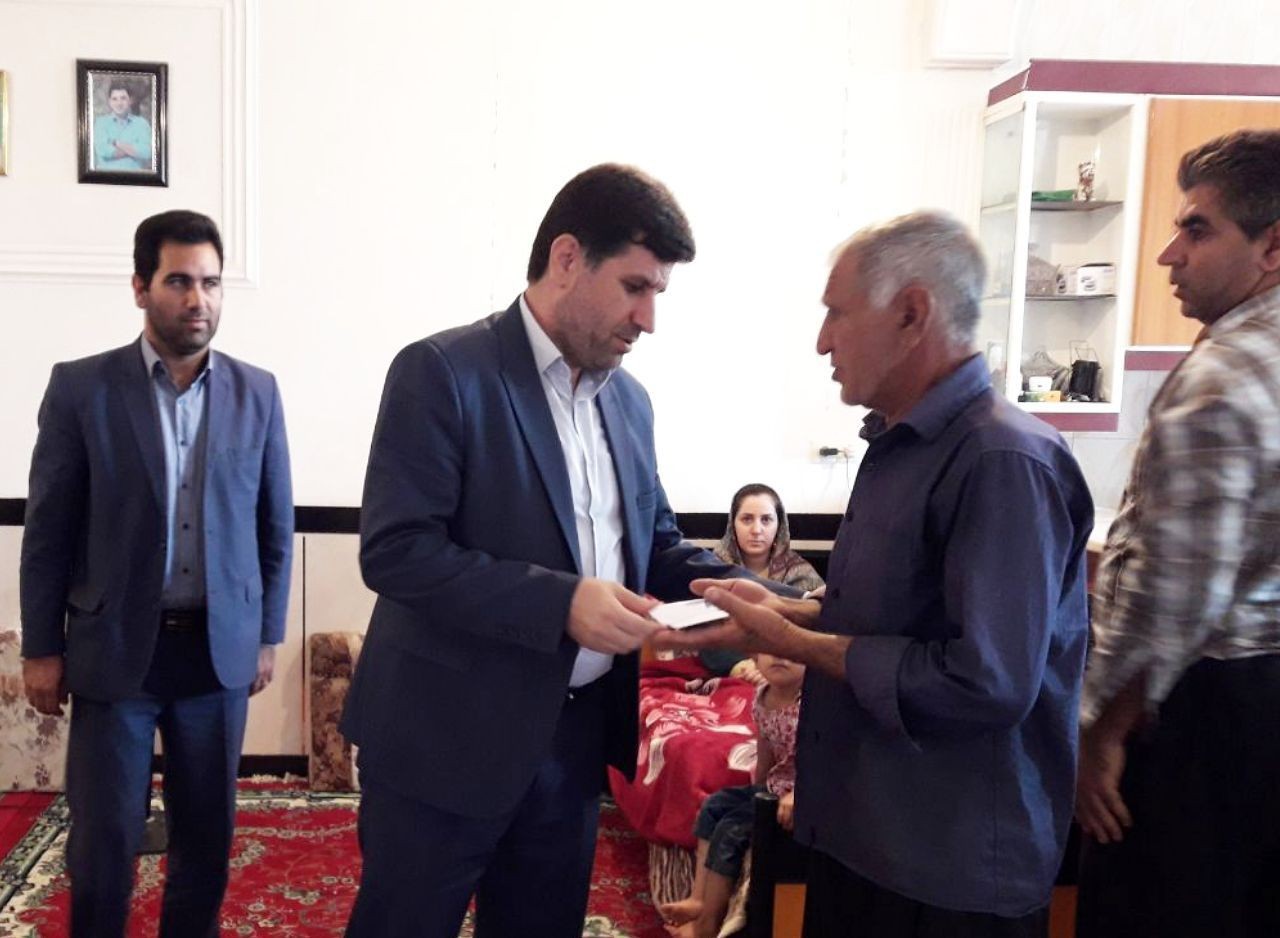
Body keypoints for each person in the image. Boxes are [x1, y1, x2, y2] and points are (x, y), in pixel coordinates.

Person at [341, 163, 756, 938]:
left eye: (658, 294)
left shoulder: (629, 402)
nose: (649, 319)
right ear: (567, 258)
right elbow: (396, 551)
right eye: (635, 287)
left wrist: (742, 592)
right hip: (442, 741)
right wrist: (561, 602)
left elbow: (656, 543)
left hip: (569, 746)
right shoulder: (443, 372)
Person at [659, 211, 1093, 937]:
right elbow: (886, 622)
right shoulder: (900, 446)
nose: (822, 340)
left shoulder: (1002, 461)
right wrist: (777, 611)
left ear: (912, 313)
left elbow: (984, 681)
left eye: (837, 312)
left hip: (946, 868)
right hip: (865, 840)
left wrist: (793, 643)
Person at [19, 209, 294, 938]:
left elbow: (274, 526)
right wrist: (42, 647)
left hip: (216, 653)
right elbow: (48, 530)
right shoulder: (82, 389)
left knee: (206, 841)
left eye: (211, 282)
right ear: (141, 287)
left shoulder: (258, 393)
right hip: (116, 652)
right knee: (104, 844)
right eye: (178, 281)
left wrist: (267, 633)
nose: (197, 299)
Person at [1074, 129, 1280, 938]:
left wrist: (1101, 731)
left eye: (1197, 229)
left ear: (1271, 246)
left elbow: (1178, 595)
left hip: (1202, 713)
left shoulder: (1224, 375)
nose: (1169, 254)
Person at [660, 651, 804, 938]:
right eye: (771, 650)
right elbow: (765, 749)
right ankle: (697, 899)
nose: (781, 658)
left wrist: (799, 793)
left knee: (731, 828)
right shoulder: (762, 696)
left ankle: (708, 923)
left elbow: (827, 758)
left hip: (799, 794)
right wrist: (757, 788)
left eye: (792, 653)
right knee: (715, 805)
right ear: (755, 657)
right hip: (772, 788)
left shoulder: (810, 705)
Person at [702, 483, 823, 681]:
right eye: (747, 519)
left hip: (789, 673)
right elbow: (703, 631)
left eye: (766, 520)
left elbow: (817, 632)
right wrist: (740, 666)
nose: (756, 530)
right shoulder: (712, 571)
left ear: (779, 526)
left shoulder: (801, 573)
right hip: (732, 671)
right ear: (733, 524)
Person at [93, 80, 153, 171]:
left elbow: (146, 152)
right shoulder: (101, 123)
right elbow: (103, 150)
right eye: (114, 99)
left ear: (130, 100)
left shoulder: (142, 124)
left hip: (136, 177)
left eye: (123, 98)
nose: (119, 103)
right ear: (109, 102)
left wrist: (116, 143)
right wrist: (133, 151)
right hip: (106, 177)